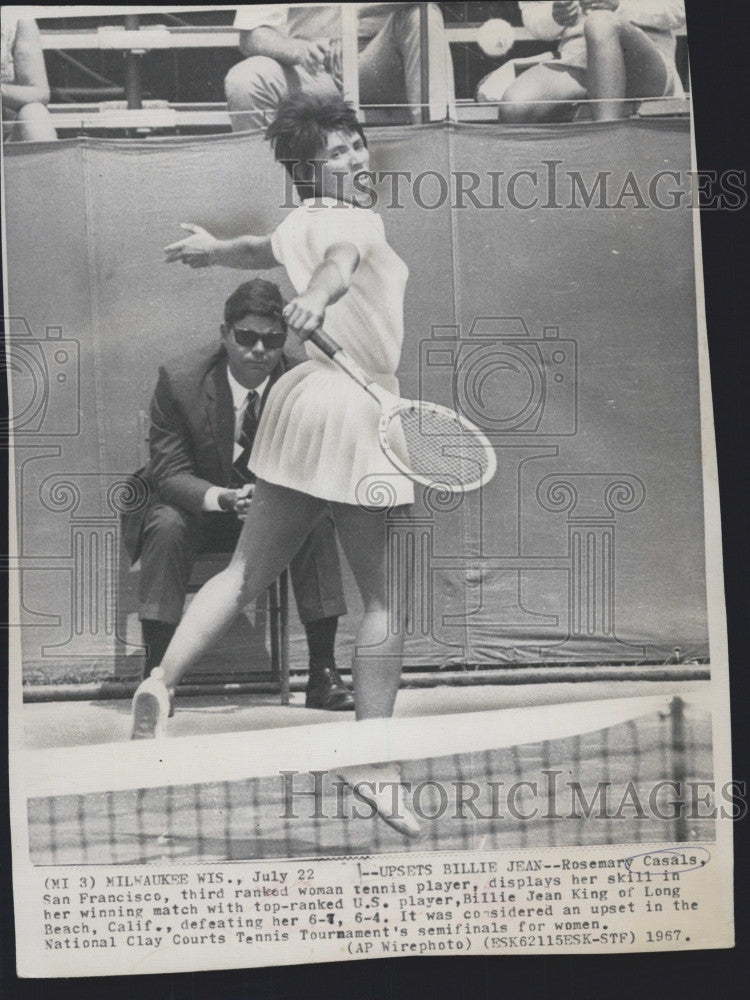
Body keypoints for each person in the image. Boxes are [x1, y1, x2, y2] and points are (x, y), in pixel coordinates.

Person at [133, 93, 419, 837]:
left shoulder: (299, 218)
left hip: (300, 403)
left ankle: (161, 685)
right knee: (379, 599)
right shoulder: (356, 219)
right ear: (309, 171)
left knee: (243, 573)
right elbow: (337, 264)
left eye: (357, 143)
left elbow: (266, 248)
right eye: (338, 154)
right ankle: (374, 764)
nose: (357, 158)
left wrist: (210, 251)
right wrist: (320, 299)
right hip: (357, 407)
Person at [123, 278, 353, 712]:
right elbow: (169, 473)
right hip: (199, 511)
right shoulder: (181, 380)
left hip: (273, 511)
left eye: (272, 340)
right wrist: (226, 498)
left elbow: (321, 461)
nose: (259, 351)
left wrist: (272, 499)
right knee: (165, 522)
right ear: (225, 333)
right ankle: (157, 679)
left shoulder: (305, 378)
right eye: (246, 338)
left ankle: (324, 672)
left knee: (315, 520)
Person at [224, 3, 454, 129]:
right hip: (314, 69)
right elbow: (252, 35)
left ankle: (437, 148)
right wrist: (299, 50)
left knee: (423, 14)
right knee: (245, 79)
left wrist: (353, 13)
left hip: (378, 64)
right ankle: (264, 201)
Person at [493, 0, 685, 123]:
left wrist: (619, 5)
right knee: (516, 105)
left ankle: (607, 151)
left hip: (644, 60)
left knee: (601, 22)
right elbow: (533, 17)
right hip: (578, 57)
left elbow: (679, 9)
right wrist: (554, 15)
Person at [1, 13, 56, 141]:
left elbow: (38, 92)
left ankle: (43, 160)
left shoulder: (16, 19)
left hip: (8, 139)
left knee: (35, 114)